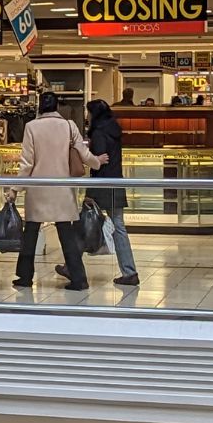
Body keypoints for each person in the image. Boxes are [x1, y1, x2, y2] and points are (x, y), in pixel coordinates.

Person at [7, 90, 94, 290]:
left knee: (30, 234)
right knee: (67, 235)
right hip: (61, 189)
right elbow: (83, 152)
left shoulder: (31, 127)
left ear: (40, 106)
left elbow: (27, 163)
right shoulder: (69, 126)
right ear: (56, 106)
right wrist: (97, 163)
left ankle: (25, 276)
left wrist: (15, 188)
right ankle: (79, 278)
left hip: (38, 189)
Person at [65, 99, 139, 286]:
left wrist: (89, 156)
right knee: (119, 227)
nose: (87, 116)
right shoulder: (115, 129)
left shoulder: (98, 133)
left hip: (101, 184)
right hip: (116, 182)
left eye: (89, 112)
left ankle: (70, 266)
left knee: (83, 224)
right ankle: (129, 271)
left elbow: (98, 162)